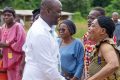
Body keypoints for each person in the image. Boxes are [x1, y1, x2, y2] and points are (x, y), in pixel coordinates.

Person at [22, 0, 66, 80]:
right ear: (48, 11)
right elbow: (47, 67)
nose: (60, 15)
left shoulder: (49, 30)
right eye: (58, 12)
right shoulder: (39, 33)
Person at [0, 6, 26, 80]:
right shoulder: (3, 27)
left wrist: (7, 45)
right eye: (4, 15)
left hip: (18, 61)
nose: (6, 17)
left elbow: (22, 44)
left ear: (14, 16)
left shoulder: (18, 27)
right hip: (7, 60)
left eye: (9, 15)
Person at [82, 7, 106, 78]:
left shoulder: (106, 37)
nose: (89, 20)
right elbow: (85, 57)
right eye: (88, 18)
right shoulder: (86, 36)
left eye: (92, 18)